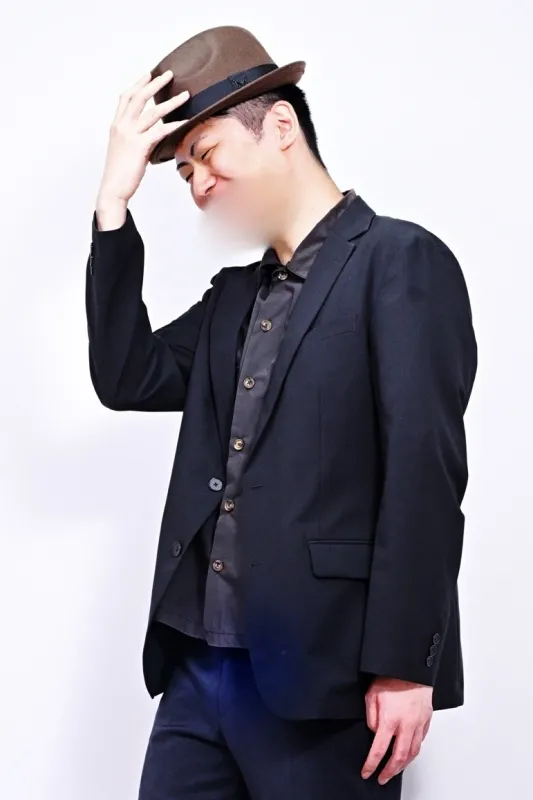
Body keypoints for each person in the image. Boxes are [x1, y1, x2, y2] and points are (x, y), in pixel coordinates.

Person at [85, 24, 477, 800]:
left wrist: (405, 666)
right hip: (197, 670)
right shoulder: (234, 297)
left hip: (325, 675)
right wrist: (111, 205)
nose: (198, 183)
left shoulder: (399, 261)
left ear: (281, 127)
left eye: (206, 154)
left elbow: (423, 471)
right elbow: (127, 376)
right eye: (184, 172)